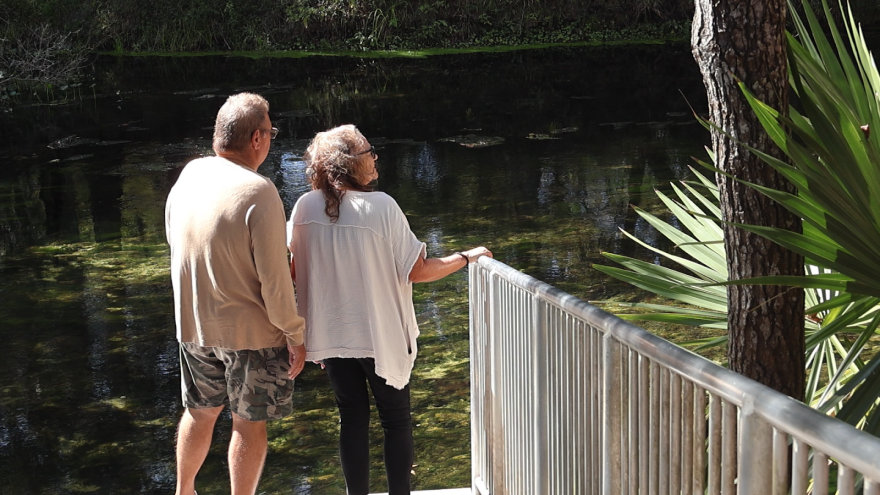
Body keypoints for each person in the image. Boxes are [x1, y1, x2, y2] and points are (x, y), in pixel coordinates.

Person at [286, 124, 492, 495]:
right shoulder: (381, 206)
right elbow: (417, 270)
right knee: (396, 421)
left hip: (333, 335)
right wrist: (465, 257)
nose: (374, 158)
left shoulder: (304, 206)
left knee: (351, 418)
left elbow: (294, 269)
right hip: (380, 334)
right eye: (369, 152)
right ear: (350, 163)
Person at [165, 93, 306, 495]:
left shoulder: (190, 175)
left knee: (201, 411)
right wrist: (294, 334)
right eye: (272, 131)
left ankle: (184, 490)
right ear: (258, 138)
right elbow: (276, 282)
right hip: (251, 334)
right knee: (249, 421)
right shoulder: (259, 192)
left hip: (193, 325)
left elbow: (176, 242)